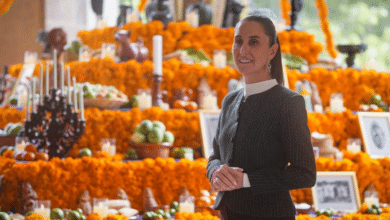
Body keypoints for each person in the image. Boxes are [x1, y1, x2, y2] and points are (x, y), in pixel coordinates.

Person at [206, 13, 317, 220]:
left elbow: (306, 173)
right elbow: (214, 156)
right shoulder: (230, 100)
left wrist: (246, 180)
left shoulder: (289, 103)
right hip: (228, 214)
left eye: (254, 42)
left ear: (272, 51)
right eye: (238, 41)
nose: (242, 50)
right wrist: (215, 172)